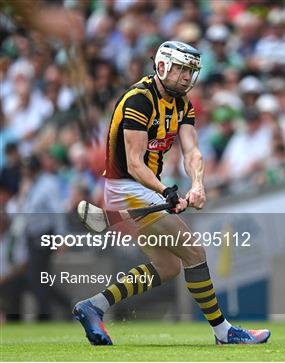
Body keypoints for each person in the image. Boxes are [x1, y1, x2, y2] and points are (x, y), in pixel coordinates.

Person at [72, 41, 270, 345]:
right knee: (194, 252)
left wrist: (198, 185)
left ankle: (93, 306)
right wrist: (168, 192)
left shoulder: (182, 104)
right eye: (180, 69)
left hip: (145, 192)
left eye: (190, 71)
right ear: (162, 66)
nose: (186, 77)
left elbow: (192, 152)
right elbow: (136, 164)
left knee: (168, 268)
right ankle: (224, 332)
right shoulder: (140, 100)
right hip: (127, 187)